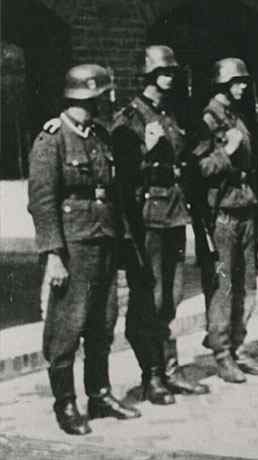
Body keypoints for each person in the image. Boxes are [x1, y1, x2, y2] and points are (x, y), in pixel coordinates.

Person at [29, 64, 140, 435]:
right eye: (102, 96)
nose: (107, 102)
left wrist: (121, 241)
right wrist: (53, 255)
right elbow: (43, 203)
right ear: (88, 96)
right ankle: (65, 403)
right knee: (66, 328)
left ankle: (100, 394)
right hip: (74, 247)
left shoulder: (99, 137)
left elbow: (113, 194)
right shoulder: (52, 138)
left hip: (104, 242)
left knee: (102, 323)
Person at [111, 45, 209, 403]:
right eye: (161, 72)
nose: (168, 77)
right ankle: (151, 373)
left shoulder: (169, 113)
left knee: (171, 296)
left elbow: (188, 153)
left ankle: (170, 369)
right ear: (146, 75)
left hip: (174, 214)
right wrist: (144, 153)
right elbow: (121, 174)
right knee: (148, 299)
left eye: (170, 72)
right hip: (148, 218)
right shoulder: (129, 119)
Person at [193, 57, 258, 382]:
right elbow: (199, 169)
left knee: (247, 283)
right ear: (223, 84)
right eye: (237, 83)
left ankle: (238, 346)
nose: (242, 87)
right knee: (224, 286)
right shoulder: (208, 119)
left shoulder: (237, 117)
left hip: (246, 209)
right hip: (223, 215)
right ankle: (222, 353)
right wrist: (227, 153)